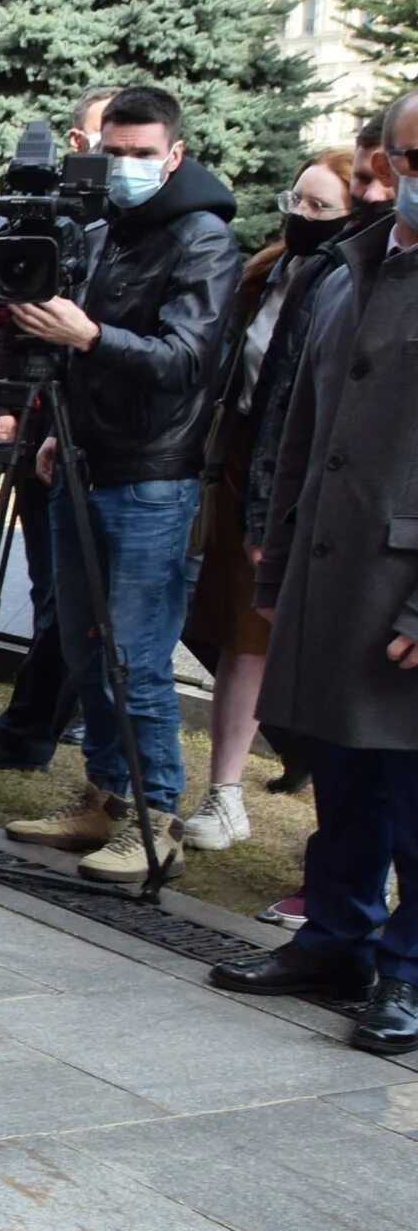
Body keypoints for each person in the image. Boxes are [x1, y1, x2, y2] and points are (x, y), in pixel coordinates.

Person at [0, 85, 241, 882]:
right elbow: (66, 353)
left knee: (132, 654)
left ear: (173, 155)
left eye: (142, 154)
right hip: (78, 457)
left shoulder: (203, 241)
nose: (126, 168)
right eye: (114, 152)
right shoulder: (102, 233)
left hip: (150, 477)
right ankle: (103, 794)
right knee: (84, 646)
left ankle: (152, 813)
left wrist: (91, 334)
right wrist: (52, 432)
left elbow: (184, 362)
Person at [215, 87, 418, 1055]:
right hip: (333, 570)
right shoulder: (354, 264)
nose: (404, 179)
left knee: (411, 788)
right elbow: (304, 420)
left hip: (403, 586)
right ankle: (337, 934)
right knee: (343, 776)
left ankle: (408, 969)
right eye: (401, 159)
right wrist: (279, 548)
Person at [182, 151, 356, 852]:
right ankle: (230, 790)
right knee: (225, 633)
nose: (303, 217)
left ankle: (254, 786)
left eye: (322, 208)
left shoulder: (341, 284)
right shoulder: (268, 273)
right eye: (299, 201)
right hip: (238, 465)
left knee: (256, 640)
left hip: (289, 486)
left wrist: (274, 509)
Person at [0, 84, 121, 769]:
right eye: (105, 142)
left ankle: (60, 723)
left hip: (108, 444)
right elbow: (1, 322)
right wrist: (8, 410)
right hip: (40, 432)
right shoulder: (43, 222)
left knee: (88, 602)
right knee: (54, 591)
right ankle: (30, 727)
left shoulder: (141, 239)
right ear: (78, 145)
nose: (112, 160)